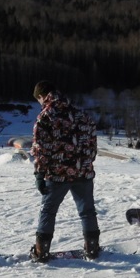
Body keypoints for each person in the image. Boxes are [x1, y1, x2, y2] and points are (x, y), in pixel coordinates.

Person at [29, 80, 100, 261]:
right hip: (82, 172)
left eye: (38, 99)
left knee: (48, 211)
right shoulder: (81, 114)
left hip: (57, 174)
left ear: (41, 96)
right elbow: (92, 143)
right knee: (87, 211)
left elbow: (40, 149)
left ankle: (41, 251)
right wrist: (85, 163)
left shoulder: (45, 117)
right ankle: (92, 248)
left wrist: (39, 174)